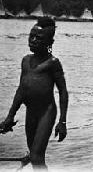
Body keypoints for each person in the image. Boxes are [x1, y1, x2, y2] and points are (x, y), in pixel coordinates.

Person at [0, 17, 68, 169]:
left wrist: (62, 122)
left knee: (37, 157)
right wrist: (10, 116)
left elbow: (63, 92)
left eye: (39, 38)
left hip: (47, 112)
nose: (33, 40)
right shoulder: (26, 61)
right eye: (31, 36)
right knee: (34, 154)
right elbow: (21, 90)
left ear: (50, 42)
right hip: (31, 112)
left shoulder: (53, 63)